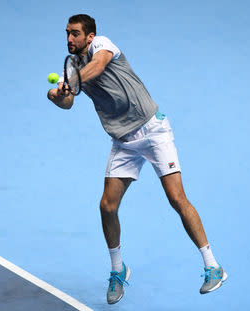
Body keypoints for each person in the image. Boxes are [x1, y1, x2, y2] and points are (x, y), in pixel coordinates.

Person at [47, 14, 227, 305]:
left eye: (76, 34)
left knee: (176, 198)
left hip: (152, 130)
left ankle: (213, 266)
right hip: (123, 141)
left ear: (90, 37)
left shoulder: (102, 47)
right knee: (107, 206)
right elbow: (68, 102)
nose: (70, 39)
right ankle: (118, 270)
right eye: (67, 33)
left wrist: (73, 80)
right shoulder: (72, 69)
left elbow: (99, 65)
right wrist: (57, 96)